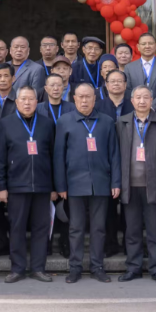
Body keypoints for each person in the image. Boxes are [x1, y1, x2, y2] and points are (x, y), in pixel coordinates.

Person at [52, 84, 119, 283]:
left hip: (101, 182)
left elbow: (115, 154)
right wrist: (61, 185)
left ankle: (97, 266)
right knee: (76, 228)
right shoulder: (64, 121)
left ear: (94, 98)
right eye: (80, 97)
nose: (84, 100)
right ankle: (75, 267)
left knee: (99, 228)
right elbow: (58, 156)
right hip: (74, 184)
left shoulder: (106, 121)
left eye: (88, 97)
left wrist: (116, 182)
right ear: (74, 98)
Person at [0, 86, 56, 283]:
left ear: (37, 102)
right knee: (17, 228)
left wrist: (54, 186)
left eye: (31, 99)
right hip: (16, 185)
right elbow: (0, 158)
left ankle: (38, 268)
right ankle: (17, 268)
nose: (27, 103)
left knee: (41, 228)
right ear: (17, 102)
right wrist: (1, 186)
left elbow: (53, 157)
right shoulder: (5, 124)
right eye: (23, 99)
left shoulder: (47, 124)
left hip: (42, 186)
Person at [117, 86, 156, 284]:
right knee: (132, 231)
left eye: (146, 97)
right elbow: (116, 156)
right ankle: (133, 268)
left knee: (155, 232)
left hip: (153, 187)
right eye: (138, 97)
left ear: (152, 100)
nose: (142, 101)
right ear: (132, 100)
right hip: (129, 187)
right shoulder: (122, 122)